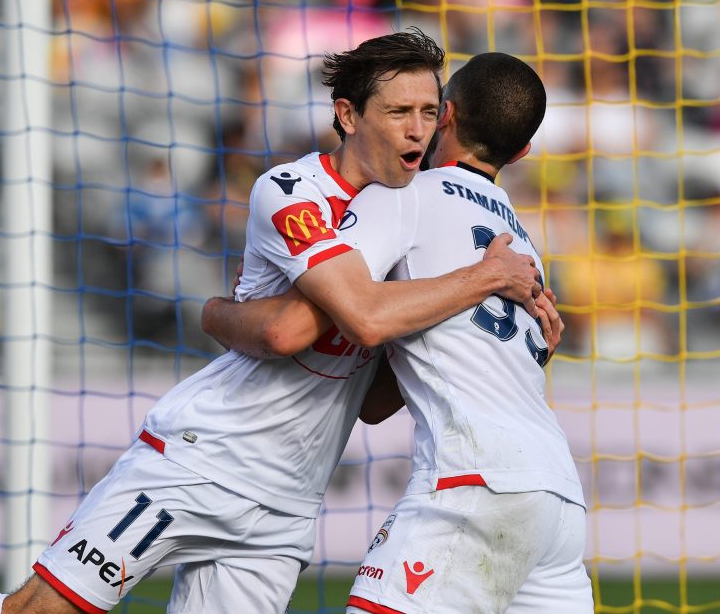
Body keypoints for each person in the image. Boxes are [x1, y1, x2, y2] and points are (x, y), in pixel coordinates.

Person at [0, 30, 544, 614]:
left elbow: (373, 392)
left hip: (284, 504)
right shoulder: (292, 189)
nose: (415, 129)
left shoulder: (414, 215)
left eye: (425, 112)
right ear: (346, 114)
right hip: (205, 459)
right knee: (38, 612)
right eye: (397, 111)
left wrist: (459, 316)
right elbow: (291, 334)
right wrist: (475, 281)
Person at [204, 53, 593, 613]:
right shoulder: (521, 244)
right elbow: (379, 400)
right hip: (557, 500)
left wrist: (221, 312)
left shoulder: (404, 196)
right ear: (523, 151)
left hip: (475, 480)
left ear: (446, 116)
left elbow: (339, 314)